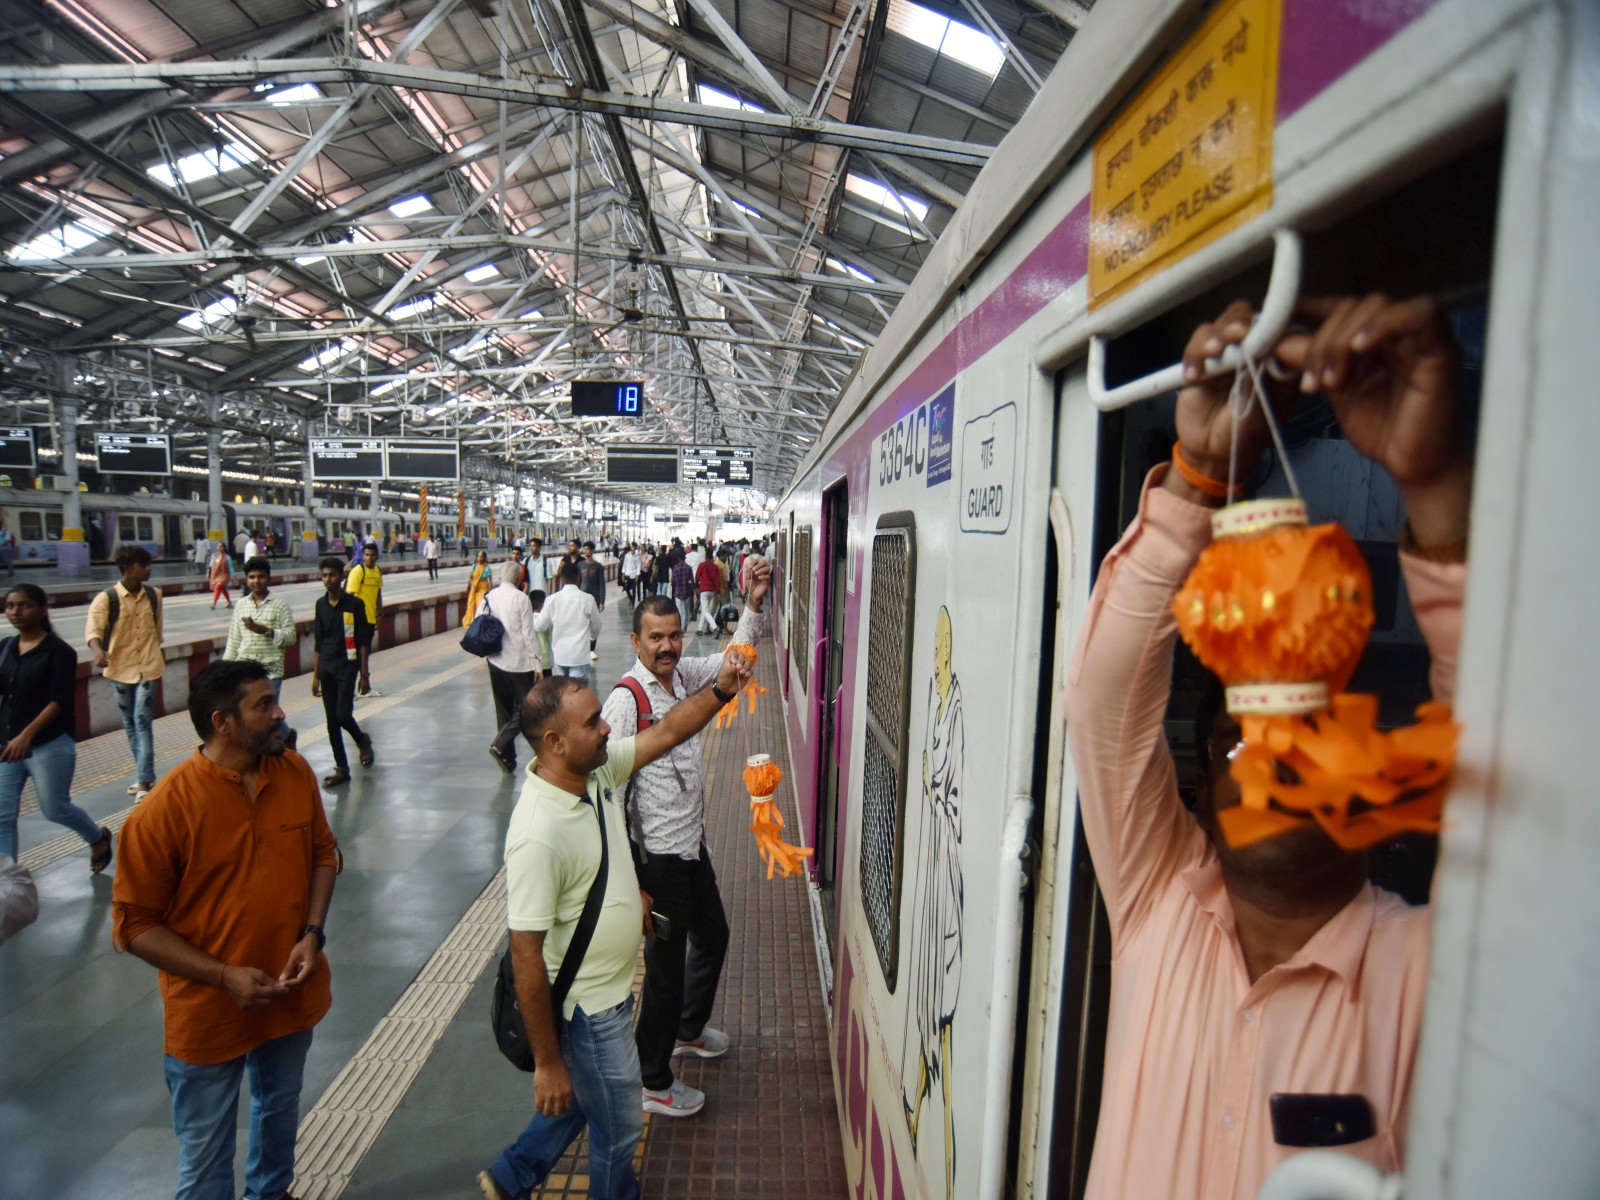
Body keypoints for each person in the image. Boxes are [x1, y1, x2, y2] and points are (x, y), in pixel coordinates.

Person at [1065, 294, 1471, 1200]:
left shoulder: (1428, 974)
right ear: (1201, 789)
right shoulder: (1156, 901)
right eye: (1239, 736)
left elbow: (1507, 799)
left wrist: (1435, 485)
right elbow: (1104, 708)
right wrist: (1200, 472)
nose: (1273, 752)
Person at [476, 648, 756, 1200]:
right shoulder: (537, 832)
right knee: (621, 1123)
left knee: (593, 1097)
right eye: (593, 722)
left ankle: (510, 1178)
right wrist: (549, 1064)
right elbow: (526, 954)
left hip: (607, 994)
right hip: (588, 1005)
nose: (608, 727)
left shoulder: (595, 772)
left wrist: (721, 690)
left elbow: (668, 731)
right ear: (554, 743)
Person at [113, 658, 339, 1200]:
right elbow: (133, 925)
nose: (280, 712)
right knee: (206, 1153)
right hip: (209, 1012)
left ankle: (271, 1191)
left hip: (289, 993)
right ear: (223, 723)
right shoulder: (165, 810)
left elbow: (323, 855)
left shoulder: (295, 773)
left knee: (280, 1109)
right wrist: (222, 975)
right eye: (263, 705)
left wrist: (312, 934)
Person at [602, 560, 771, 1120]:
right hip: (657, 861)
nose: (669, 646)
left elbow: (734, 663)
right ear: (636, 641)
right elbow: (606, 796)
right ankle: (652, 1078)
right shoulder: (627, 703)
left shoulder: (685, 678)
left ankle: (687, 1030)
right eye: (656, 638)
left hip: (691, 848)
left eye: (674, 635)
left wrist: (752, 603)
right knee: (665, 972)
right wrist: (633, 880)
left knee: (715, 935)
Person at [0, 583, 110, 870]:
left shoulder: (59, 651)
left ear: (42, 609)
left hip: (48, 743)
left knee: (54, 808)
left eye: (25, 605)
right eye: (11, 606)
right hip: (8, 745)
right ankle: (8, 879)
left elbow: (58, 701)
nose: (16, 612)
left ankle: (97, 837)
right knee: (2, 814)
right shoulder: (5, 648)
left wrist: (27, 735)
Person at [86, 545, 164, 799]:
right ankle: (145, 774)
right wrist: (98, 651)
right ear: (129, 568)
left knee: (142, 721)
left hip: (149, 667)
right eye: (144, 565)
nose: (149, 569)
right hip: (119, 668)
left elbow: (157, 632)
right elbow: (93, 632)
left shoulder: (155, 595)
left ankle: (143, 779)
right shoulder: (106, 599)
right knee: (130, 724)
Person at [223, 557, 299, 751]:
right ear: (246, 580)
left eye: (261, 576)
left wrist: (267, 630)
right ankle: (287, 735)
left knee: (267, 713)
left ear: (269, 579)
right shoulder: (241, 605)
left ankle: (272, 750)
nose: (256, 581)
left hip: (270, 670)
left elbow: (291, 637)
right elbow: (234, 639)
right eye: (252, 577)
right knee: (251, 711)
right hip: (244, 669)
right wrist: (226, 669)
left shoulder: (280, 605)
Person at [312, 555, 374, 788]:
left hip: (348, 667)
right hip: (326, 668)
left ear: (342, 577)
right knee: (331, 722)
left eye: (332, 575)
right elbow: (318, 642)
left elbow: (363, 642)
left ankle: (362, 740)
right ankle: (341, 768)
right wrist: (315, 675)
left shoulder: (354, 605)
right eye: (324, 576)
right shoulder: (320, 605)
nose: (328, 579)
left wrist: (364, 675)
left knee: (342, 715)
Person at [486, 561, 543, 775]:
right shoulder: (521, 598)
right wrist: (537, 664)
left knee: (503, 710)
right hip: (517, 663)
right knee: (526, 709)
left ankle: (507, 757)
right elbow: (529, 634)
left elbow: (478, 620)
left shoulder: (489, 596)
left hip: (494, 660)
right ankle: (500, 744)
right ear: (519, 578)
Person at [534, 562, 600, 688]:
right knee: (577, 694)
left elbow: (539, 626)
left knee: (561, 693)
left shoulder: (551, 600)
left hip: (560, 655)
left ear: (562, 579)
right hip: (579, 656)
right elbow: (597, 624)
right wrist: (591, 638)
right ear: (578, 578)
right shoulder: (588, 599)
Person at [345, 542, 384, 694]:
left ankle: (363, 685)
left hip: (370, 619)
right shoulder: (357, 571)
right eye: (366, 555)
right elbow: (349, 597)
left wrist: (380, 613)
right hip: (356, 621)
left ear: (377, 556)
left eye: (372, 555)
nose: (369, 558)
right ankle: (361, 684)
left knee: (365, 652)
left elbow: (378, 594)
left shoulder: (378, 571)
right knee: (357, 654)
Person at [578, 543, 607, 662]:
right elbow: (578, 581)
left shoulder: (598, 566)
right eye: (584, 549)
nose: (585, 551)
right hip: (581, 599)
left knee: (593, 625)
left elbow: (602, 584)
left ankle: (592, 649)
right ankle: (584, 648)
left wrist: (602, 601)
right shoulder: (580, 565)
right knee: (582, 624)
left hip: (594, 600)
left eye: (587, 549)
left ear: (592, 551)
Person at [693, 553, 721, 636]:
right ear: (712, 557)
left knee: (705, 610)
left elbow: (697, 577)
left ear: (705, 556)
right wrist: (718, 591)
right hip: (712, 591)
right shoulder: (715, 566)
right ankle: (700, 629)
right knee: (705, 609)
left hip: (704, 590)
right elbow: (718, 580)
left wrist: (697, 585)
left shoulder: (702, 565)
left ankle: (715, 627)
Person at [530, 591, 554, 683]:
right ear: (543, 604)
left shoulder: (527, 618)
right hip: (545, 661)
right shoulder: (546, 620)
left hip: (531, 663)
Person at [669, 553, 694, 630]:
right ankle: (684, 627)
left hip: (678, 592)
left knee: (679, 610)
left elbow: (672, 582)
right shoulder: (689, 568)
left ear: (678, 558)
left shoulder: (675, 568)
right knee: (686, 611)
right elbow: (692, 581)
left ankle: (680, 627)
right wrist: (692, 591)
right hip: (686, 592)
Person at [207, 542, 234, 609]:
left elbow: (231, 567)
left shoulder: (228, 557)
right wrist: (208, 572)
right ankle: (229, 602)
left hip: (225, 575)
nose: (219, 548)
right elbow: (210, 565)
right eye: (218, 546)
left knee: (218, 586)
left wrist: (234, 576)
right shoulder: (214, 556)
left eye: (221, 546)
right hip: (216, 575)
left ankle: (214, 603)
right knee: (223, 589)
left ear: (224, 548)